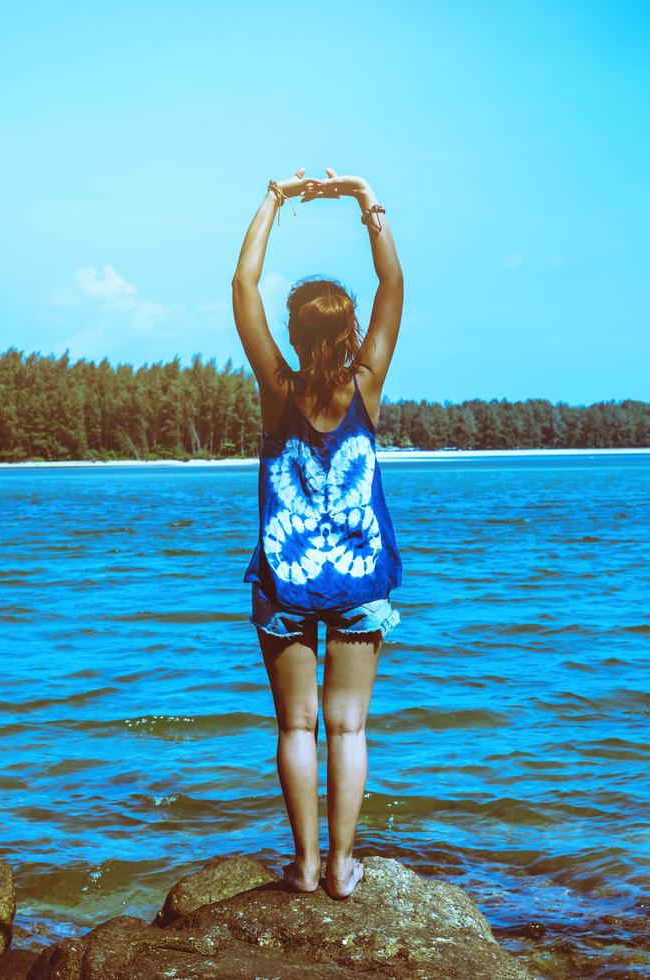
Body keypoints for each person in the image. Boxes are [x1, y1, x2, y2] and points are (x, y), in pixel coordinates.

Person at [231, 166, 404, 900]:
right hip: (360, 576)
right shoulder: (365, 381)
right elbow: (395, 288)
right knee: (350, 729)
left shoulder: (278, 390)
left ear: (296, 333)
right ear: (350, 331)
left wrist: (273, 197)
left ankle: (302, 868)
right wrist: (368, 203)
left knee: (297, 727)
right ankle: (342, 869)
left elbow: (243, 288)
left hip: (285, 577)